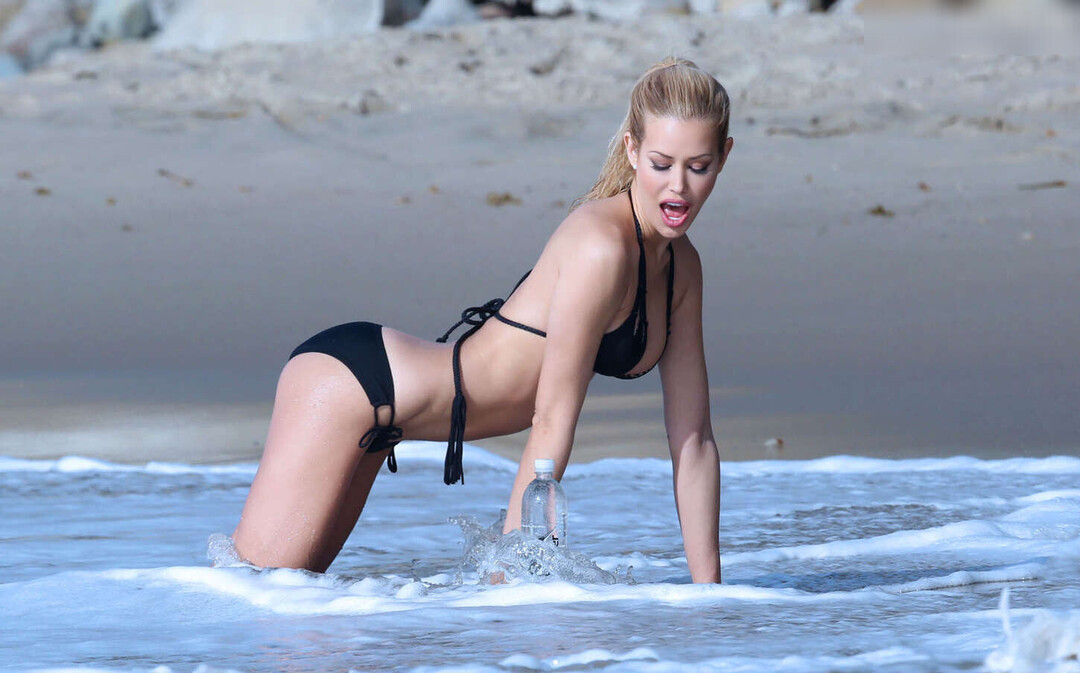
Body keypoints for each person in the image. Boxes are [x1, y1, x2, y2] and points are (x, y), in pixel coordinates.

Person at [231, 57, 734, 583]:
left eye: (698, 167)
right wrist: (508, 583)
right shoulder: (600, 247)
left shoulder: (682, 267)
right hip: (354, 385)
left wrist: (713, 601)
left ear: (723, 156)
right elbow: (550, 423)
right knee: (250, 594)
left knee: (295, 607)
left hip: (387, 415)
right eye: (661, 164)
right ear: (632, 150)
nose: (678, 187)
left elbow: (695, 440)